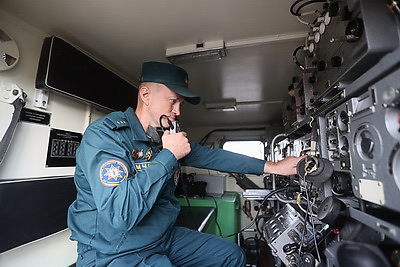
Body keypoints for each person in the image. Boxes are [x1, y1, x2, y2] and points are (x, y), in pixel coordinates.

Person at [67, 61, 304, 266]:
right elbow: (121, 214)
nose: (178, 111)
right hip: (114, 250)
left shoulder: (161, 137)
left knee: (232, 256)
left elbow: (215, 157)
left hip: (161, 237)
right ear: (145, 95)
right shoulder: (105, 136)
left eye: (180, 103)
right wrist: (169, 155)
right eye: (173, 101)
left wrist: (274, 166)